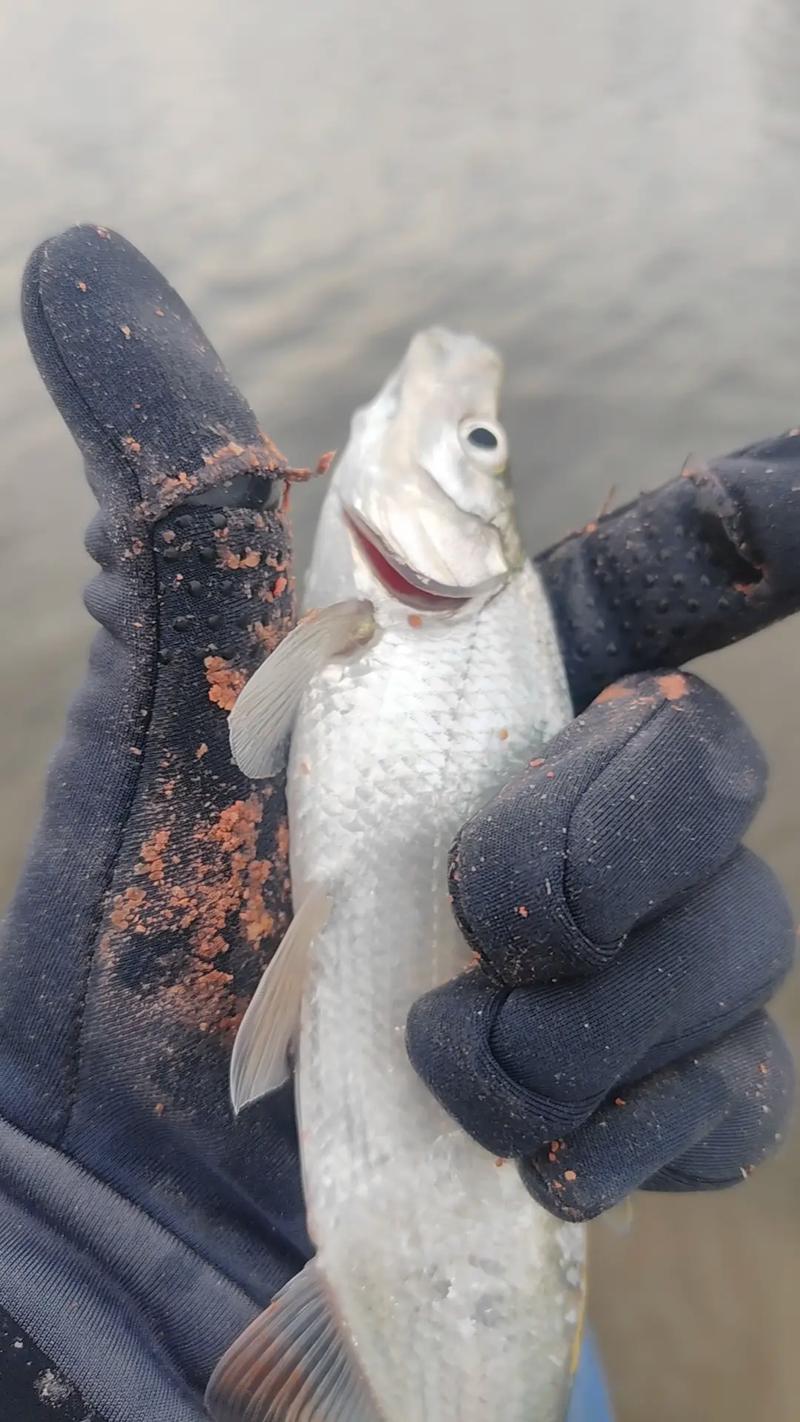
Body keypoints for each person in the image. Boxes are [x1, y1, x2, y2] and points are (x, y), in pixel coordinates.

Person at [0, 226, 795, 1422]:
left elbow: (262, 725)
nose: (454, 425)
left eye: (476, 441)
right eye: (479, 438)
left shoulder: (398, 618)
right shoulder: (398, 615)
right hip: (353, 1290)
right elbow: (257, 730)